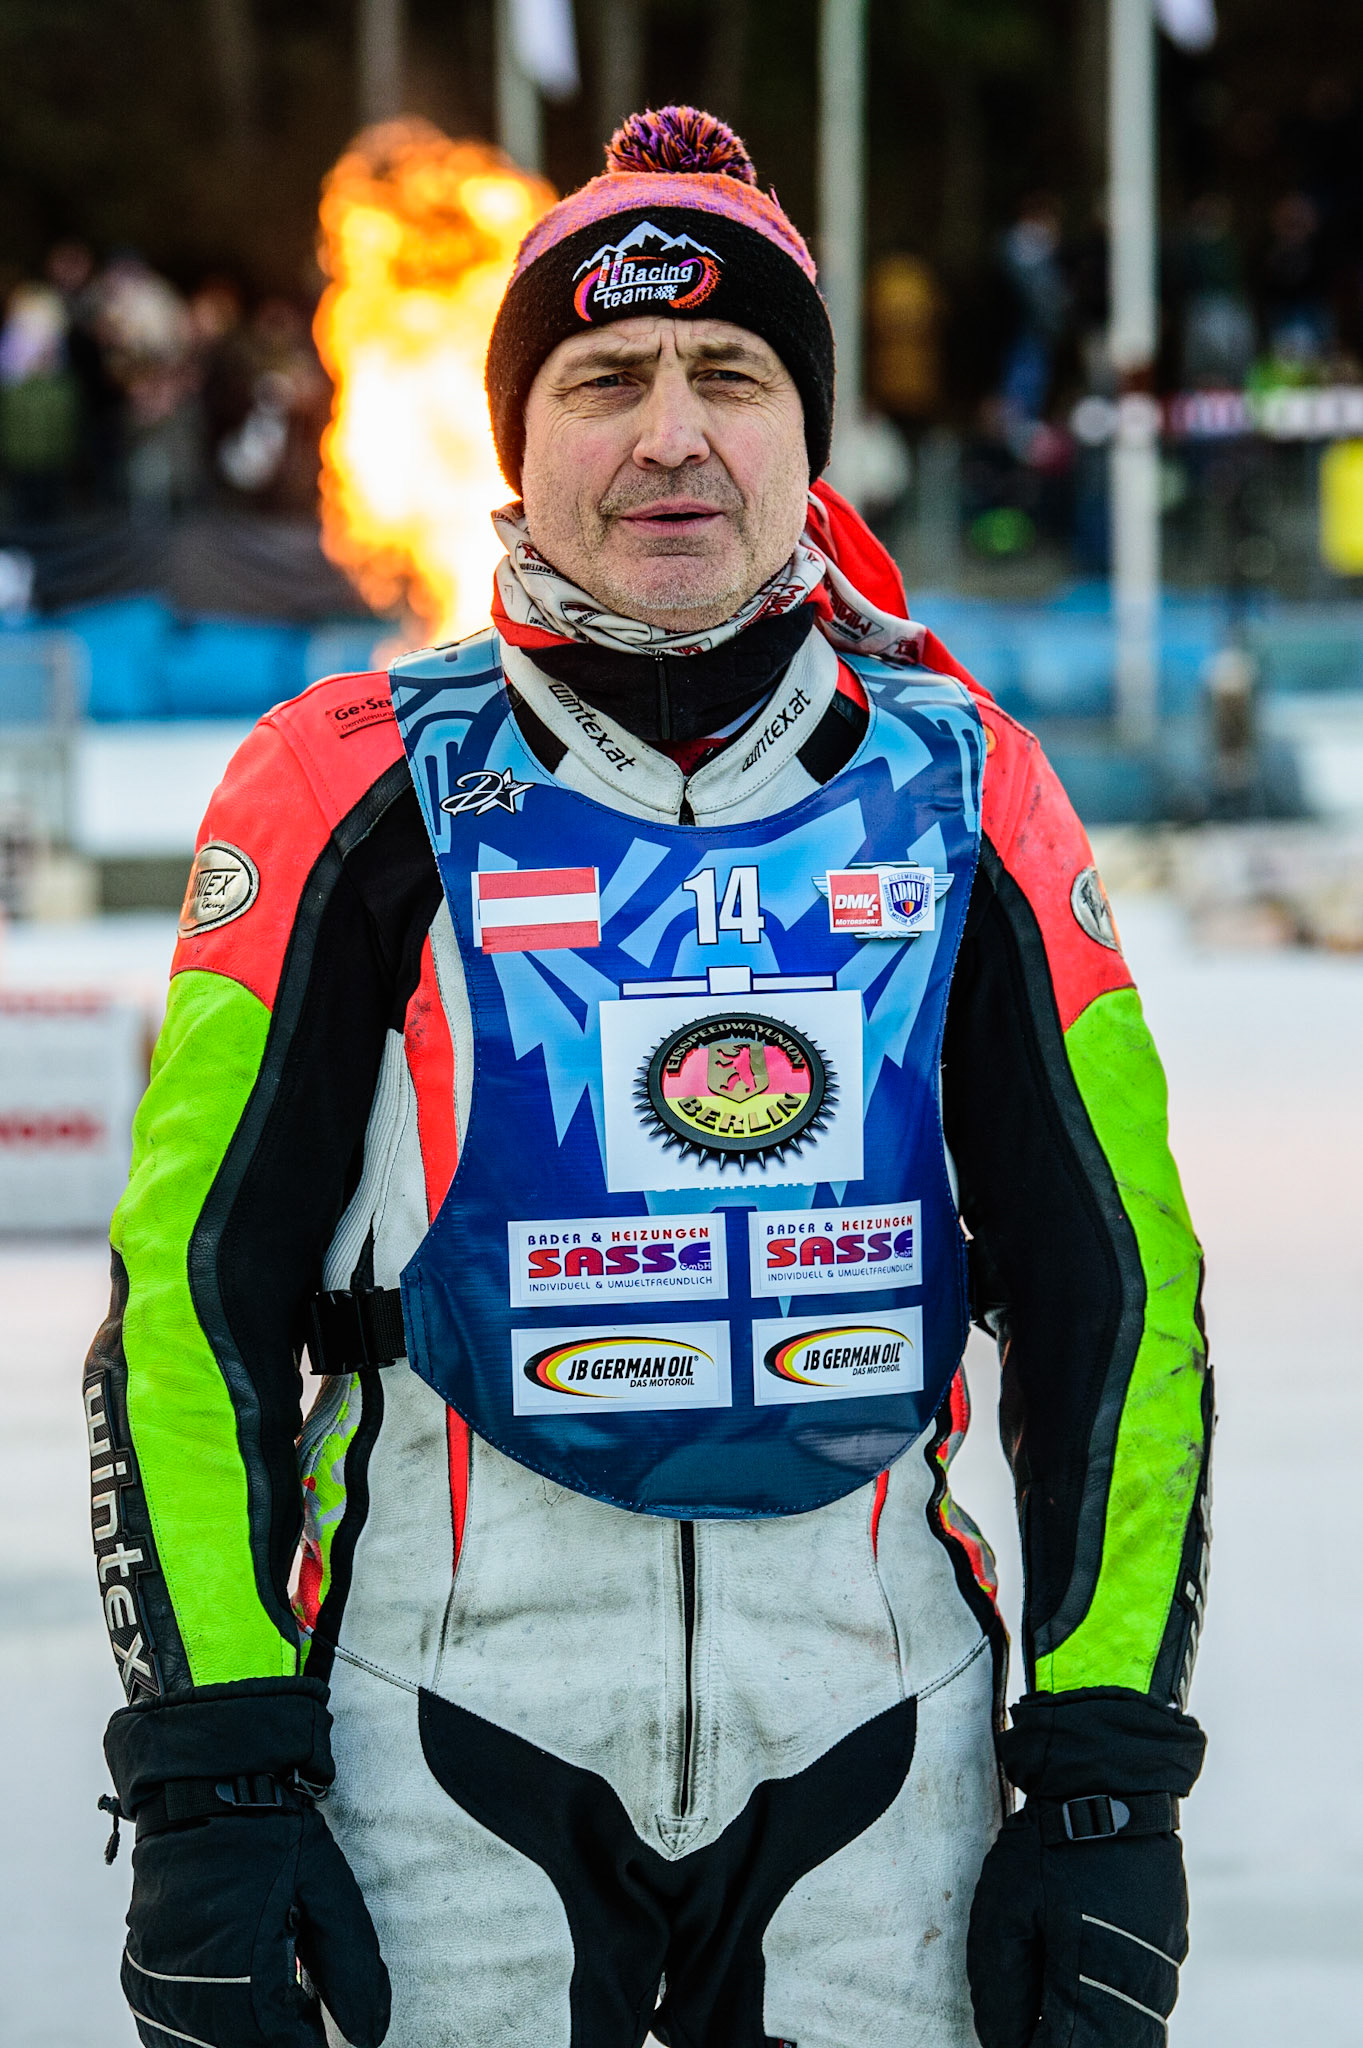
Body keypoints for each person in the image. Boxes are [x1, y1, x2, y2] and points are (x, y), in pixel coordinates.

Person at [87, 106, 1210, 2048]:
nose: (672, 433)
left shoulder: (967, 783)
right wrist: (209, 1775)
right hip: (439, 1745)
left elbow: (1121, 1296)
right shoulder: (347, 783)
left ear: (808, 433)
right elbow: (192, 1305)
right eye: (604, 379)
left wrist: (1108, 1781)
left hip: (881, 1749)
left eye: (731, 374)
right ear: (514, 441)